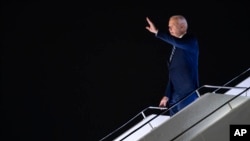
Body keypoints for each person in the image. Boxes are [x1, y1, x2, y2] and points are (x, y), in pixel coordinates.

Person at [145, 15, 200, 116]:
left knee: (187, 122)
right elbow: (173, 75)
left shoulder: (191, 41)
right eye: (168, 26)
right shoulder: (174, 48)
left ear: (182, 27)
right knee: (175, 125)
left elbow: (177, 42)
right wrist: (167, 95)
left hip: (187, 93)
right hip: (174, 96)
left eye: (172, 26)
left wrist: (157, 32)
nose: (169, 29)